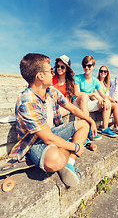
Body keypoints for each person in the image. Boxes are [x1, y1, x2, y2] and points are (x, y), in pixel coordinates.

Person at [10, 53, 97, 188]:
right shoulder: (26, 100)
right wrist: (75, 146)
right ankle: (67, 150)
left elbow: (72, 109)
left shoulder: (51, 91)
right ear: (40, 76)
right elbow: (48, 139)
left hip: (52, 132)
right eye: (50, 70)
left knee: (83, 124)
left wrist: (90, 121)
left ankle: (69, 163)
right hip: (34, 142)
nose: (53, 73)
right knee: (54, 161)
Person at [73, 56, 117, 140]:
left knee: (106, 102)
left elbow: (103, 95)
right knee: (84, 96)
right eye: (84, 66)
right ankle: (88, 130)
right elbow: (77, 93)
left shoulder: (95, 81)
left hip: (87, 104)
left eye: (89, 66)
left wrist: (106, 99)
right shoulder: (78, 77)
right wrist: (93, 94)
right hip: (78, 103)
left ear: (93, 66)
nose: (86, 68)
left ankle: (105, 128)